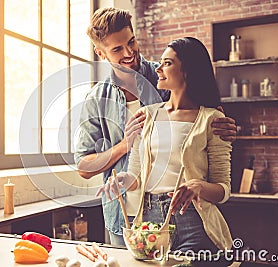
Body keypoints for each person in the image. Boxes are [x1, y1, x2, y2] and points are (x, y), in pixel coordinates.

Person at [74, 7, 236, 246]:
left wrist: (227, 128)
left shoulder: (167, 76)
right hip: (124, 215)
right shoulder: (96, 99)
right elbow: (84, 166)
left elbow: (204, 122)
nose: (129, 53)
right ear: (101, 53)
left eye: (131, 42)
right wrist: (124, 146)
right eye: (117, 49)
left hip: (181, 210)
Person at [100, 37, 232, 265]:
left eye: (167, 63)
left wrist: (198, 187)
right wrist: (121, 180)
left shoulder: (212, 119)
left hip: (192, 218)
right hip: (148, 222)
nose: (158, 69)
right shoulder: (146, 115)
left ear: (188, 71)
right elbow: (135, 176)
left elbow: (224, 189)